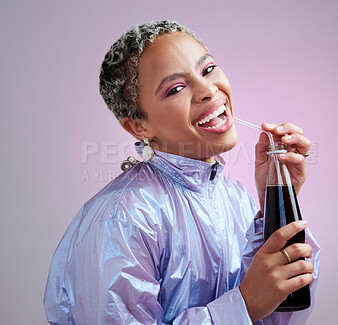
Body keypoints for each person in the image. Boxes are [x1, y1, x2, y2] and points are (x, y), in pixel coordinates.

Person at [44, 20, 320, 324]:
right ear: (140, 126)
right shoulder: (122, 221)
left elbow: (279, 315)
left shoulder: (234, 198)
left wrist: (277, 201)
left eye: (208, 69)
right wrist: (243, 304)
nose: (207, 90)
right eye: (175, 88)